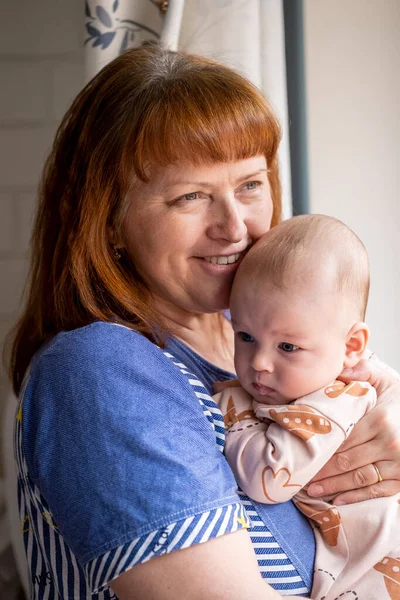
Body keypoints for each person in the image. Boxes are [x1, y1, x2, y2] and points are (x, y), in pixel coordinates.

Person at [6, 46, 400, 600]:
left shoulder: (269, 347)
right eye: (190, 196)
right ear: (110, 220)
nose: (234, 226)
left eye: (250, 185)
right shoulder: (102, 371)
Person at [215, 214, 400, 599]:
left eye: (287, 347)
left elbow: (268, 480)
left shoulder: (336, 401)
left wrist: (233, 410)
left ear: (351, 348)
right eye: (246, 336)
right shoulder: (300, 384)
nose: (259, 362)